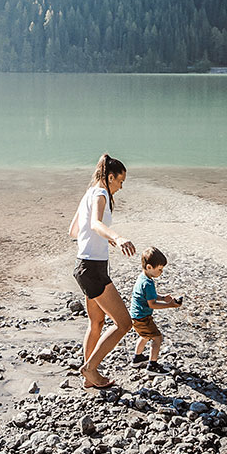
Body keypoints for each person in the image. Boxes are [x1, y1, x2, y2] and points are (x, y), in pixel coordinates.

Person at [67, 153, 135, 389]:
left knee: (96, 322)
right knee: (124, 323)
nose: (120, 187)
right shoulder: (101, 193)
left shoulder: (89, 193)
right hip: (93, 270)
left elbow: (73, 230)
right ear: (110, 177)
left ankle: (89, 378)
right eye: (120, 181)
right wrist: (117, 237)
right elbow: (95, 224)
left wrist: (99, 238)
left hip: (84, 266)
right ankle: (90, 368)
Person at [129, 246, 183, 373]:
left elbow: (149, 296)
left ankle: (137, 359)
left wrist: (163, 298)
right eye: (159, 269)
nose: (161, 272)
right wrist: (170, 305)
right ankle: (152, 366)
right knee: (157, 338)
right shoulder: (148, 283)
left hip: (135, 316)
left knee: (145, 336)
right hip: (143, 317)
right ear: (149, 267)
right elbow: (152, 304)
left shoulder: (142, 277)